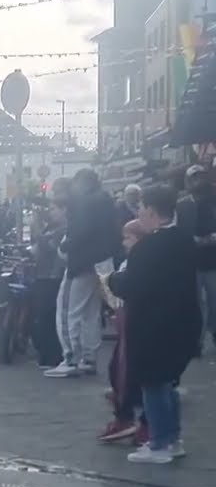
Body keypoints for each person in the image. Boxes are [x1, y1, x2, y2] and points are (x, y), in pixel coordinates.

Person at [107, 185, 200, 463]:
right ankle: (172, 439)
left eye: (140, 209)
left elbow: (134, 286)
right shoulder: (184, 239)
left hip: (154, 324)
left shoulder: (149, 246)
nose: (138, 213)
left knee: (152, 382)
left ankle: (159, 442)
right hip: (184, 319)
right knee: (168, 382)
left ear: (149, 210)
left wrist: (113, 281)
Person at [46, 169, 120, 378]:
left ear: (80, 183)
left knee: (67, 310)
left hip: (81, 263)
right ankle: (89, 358)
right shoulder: (106, 202)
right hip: (101, 262)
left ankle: (70, 358)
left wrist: (65, 246)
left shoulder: (84, 203)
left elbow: (80, 231)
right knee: (91, 312)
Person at [99, 219, 149, 445]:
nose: (124, 242)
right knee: (118, 368)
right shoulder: (132, 260)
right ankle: (125, 412)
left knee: (126, 369)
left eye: (128, 237)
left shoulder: (140, 261)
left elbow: (128, 286)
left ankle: (130, 417)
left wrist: (111, 281)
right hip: (127, 318)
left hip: (135, 320)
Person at [175, 165, 216, 355]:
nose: (198, 181)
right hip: (190, 260)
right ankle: (196, 341)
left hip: (212, 260)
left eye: (201, 177)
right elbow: (178, 229)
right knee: (195, 303)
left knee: (213, 301)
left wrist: (211, 238)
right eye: (195, 178)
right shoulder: (182, 204)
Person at [30, 201, 66, 368]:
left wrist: (37, 226)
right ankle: (46, 354)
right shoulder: (53, 226)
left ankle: (52, 357)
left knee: (48, 317)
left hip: (52, 277)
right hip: (44, 274)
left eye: (54, 209)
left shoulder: (63, 229)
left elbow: (47, 247)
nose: (50, 212)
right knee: (42, 317)